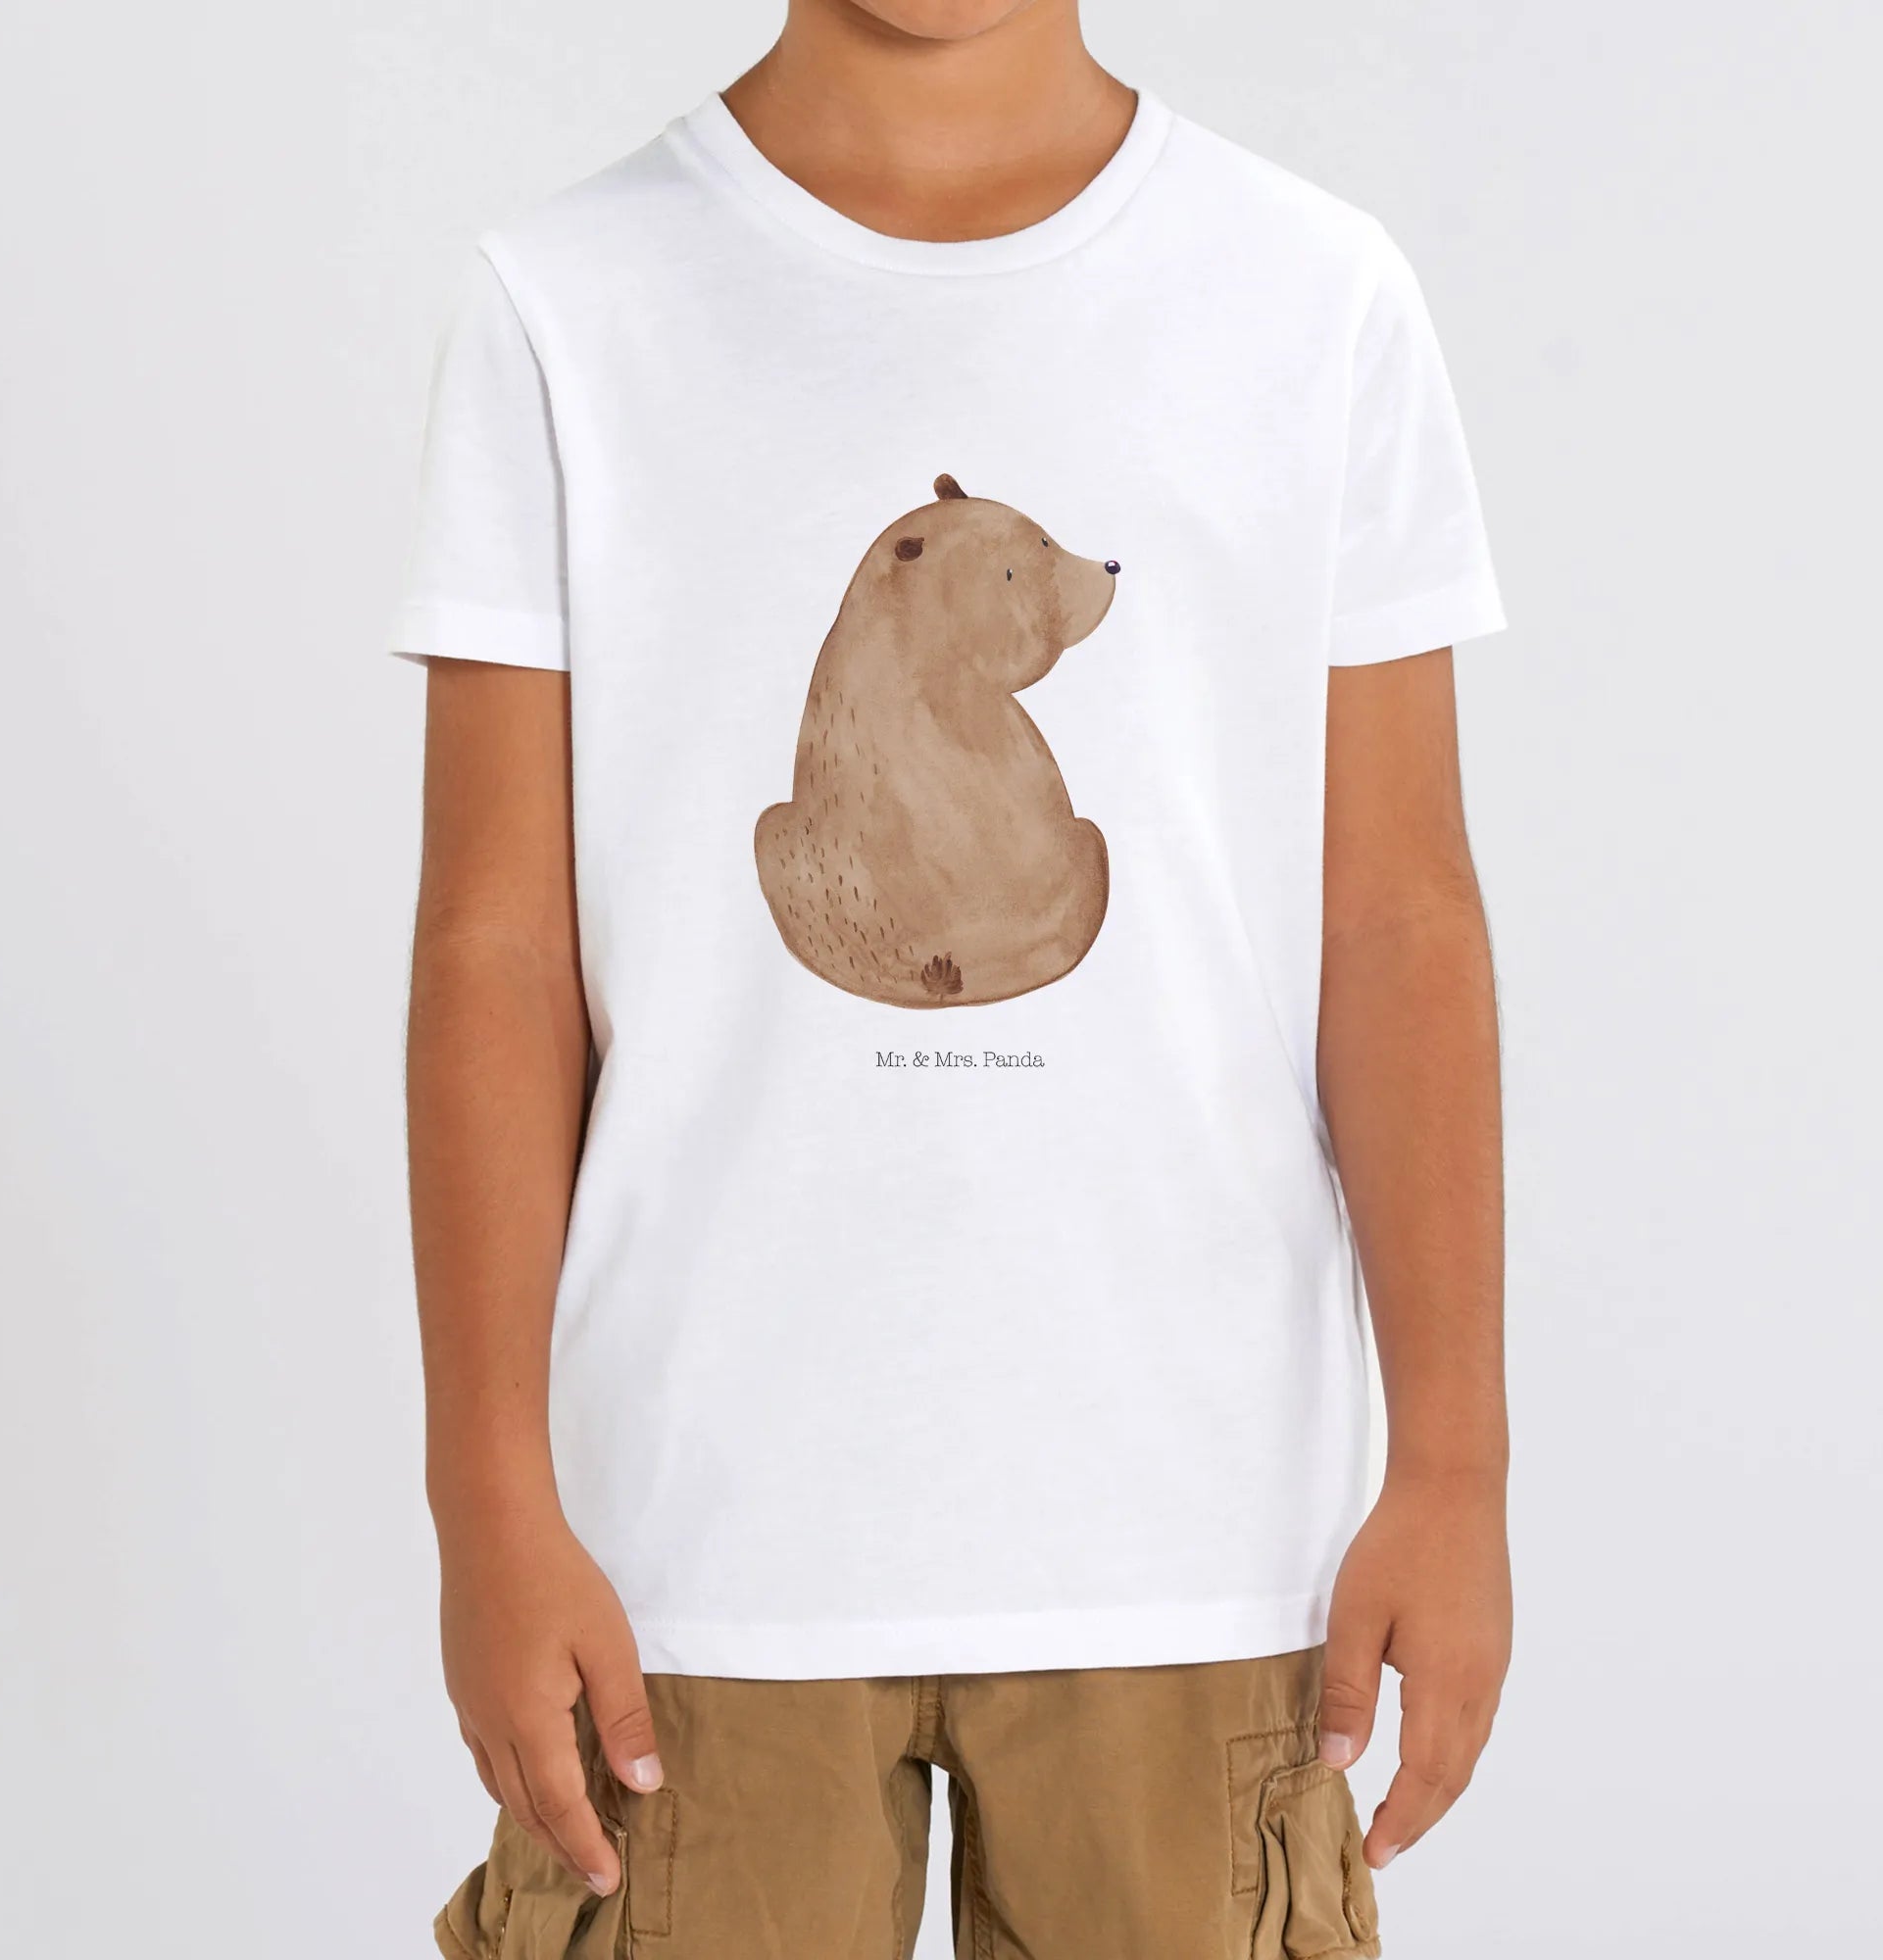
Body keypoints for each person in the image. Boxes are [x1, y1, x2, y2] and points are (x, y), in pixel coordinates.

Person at [396, 2, 1511, 1953]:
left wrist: (1456, 1459)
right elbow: (496, 948)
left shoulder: (1313, 298)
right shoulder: (565, 305)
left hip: (1192, 1541)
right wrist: (484, 1489)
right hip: (686, 1559)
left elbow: (1397, 919)